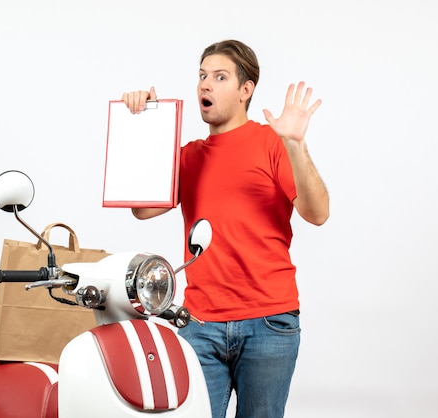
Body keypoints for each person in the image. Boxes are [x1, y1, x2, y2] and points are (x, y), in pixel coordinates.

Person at [122, 39, 329, 418]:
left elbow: (317, 213)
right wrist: (146, 126)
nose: (205, 84)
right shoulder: (190, 157)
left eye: (219, 77)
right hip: (200, 323)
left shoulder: (273, 142)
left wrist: (296, 144)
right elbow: (142, 208)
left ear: (245, 90)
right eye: (202, 76)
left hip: (269, 321)